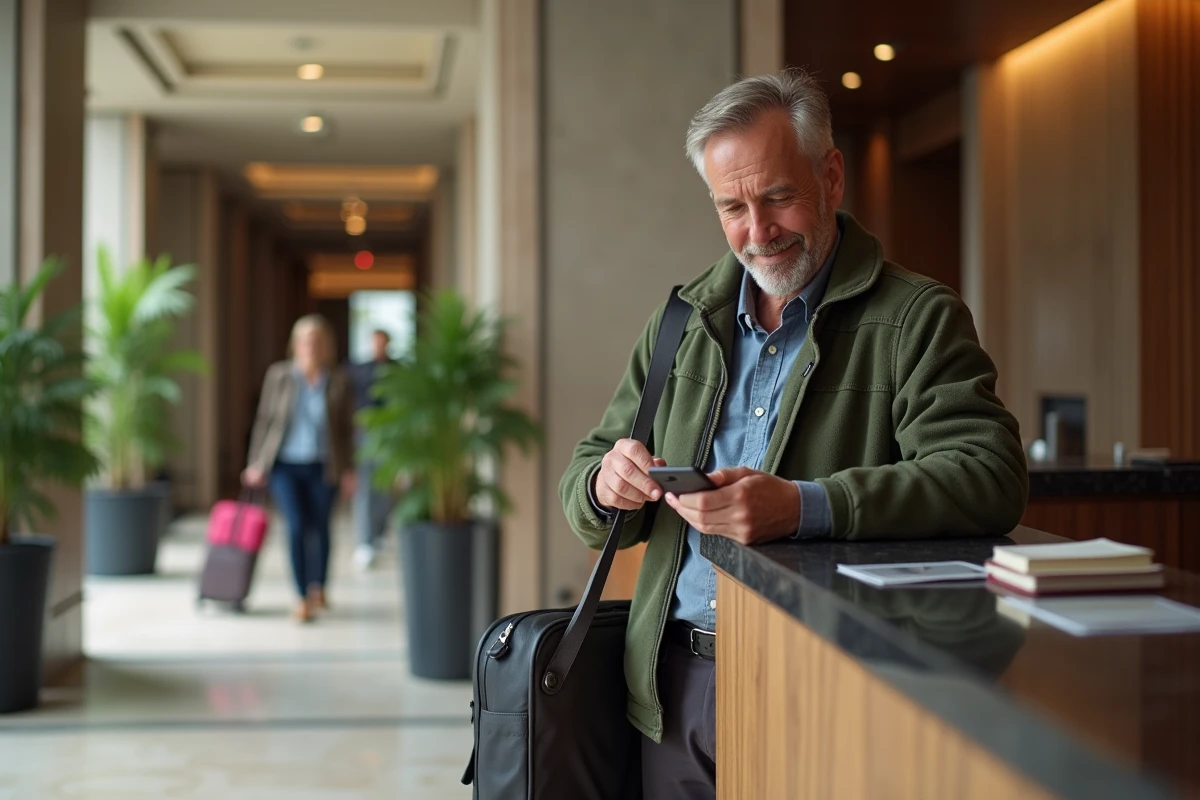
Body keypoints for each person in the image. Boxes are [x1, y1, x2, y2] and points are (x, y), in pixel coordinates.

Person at [559, 70, 1028, 798]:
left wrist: (804, 506)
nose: (758, 231)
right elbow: (589, 470)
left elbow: (987, 475)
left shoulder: (918, 318)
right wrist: (603, 483)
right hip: (672, 690)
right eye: (732, 207)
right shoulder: (681, 321)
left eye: (777, 196)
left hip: (822, 687)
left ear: (831, 176)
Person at [243, 314, 356, 623]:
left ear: (326, 346)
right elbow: (264, 421)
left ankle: (319, 586)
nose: (311, 347)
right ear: (295, 344)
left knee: (320, 527)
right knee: (295, 525)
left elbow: (346, 430)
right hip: (285, 466)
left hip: (324, 466)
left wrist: (350, 470)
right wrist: (255, 462)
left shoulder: (338, 381)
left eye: (317, 341)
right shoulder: (279, 376)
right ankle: (301, 595)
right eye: (305, 341)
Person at [349, 329, 396, 571]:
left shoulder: (397, 369)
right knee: (366, 487)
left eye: (382, 342)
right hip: (365, 432)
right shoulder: (358, 369)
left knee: (384, 487)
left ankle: (379, 532)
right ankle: (365, 541)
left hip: (391, 433)